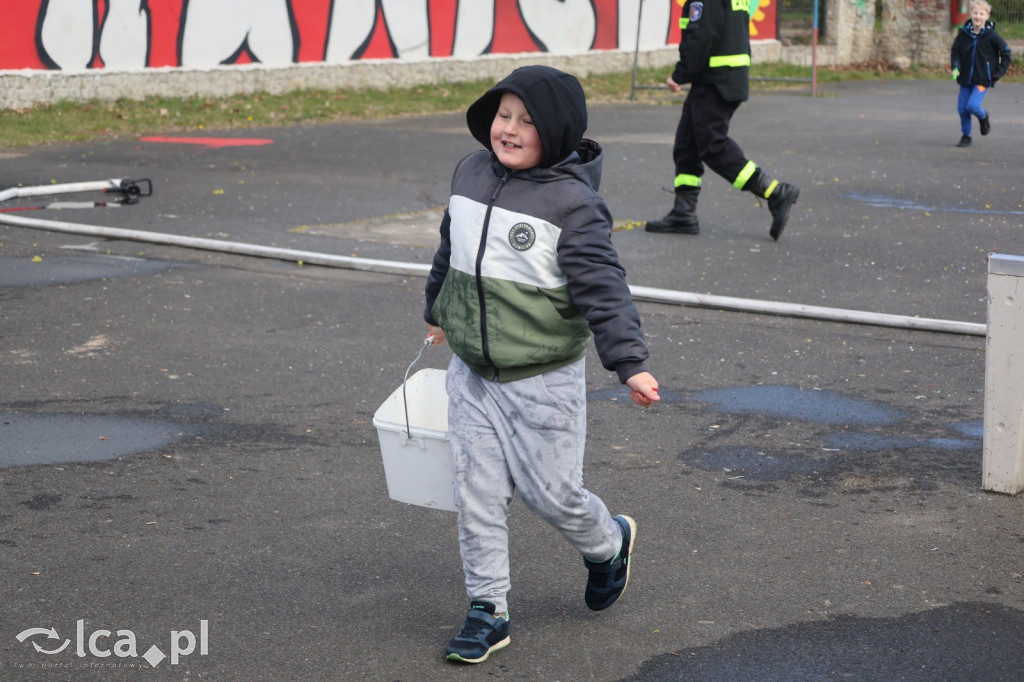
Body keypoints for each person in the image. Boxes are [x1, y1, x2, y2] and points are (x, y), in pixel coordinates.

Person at [422, 64, 661, 665]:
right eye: (503, 114)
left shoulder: (572, 204)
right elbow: (451, 250)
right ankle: (487, 609)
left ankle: (609, 543)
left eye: (526, 122)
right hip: (474, 374)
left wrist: (628, 362)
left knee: (552, 494)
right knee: (474, 491)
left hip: (542, 379)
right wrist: (438, 309)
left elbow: (603, 287)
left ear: (554, 133)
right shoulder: (470, 173)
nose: (508, 128)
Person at [645, 0, 799, 240]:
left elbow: (702, 36)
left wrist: (680, 73)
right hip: (720, 78)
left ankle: (774, 191)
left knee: (712, 145)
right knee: (688, 143)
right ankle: (683, 213)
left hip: (715, 81)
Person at [950, 0, 1012, 148]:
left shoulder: (992, 36)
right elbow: (955, 52)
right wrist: (956, 66)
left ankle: (983, 117)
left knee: (972, 106)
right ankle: (967, 136)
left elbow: (1006, 53)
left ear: (987, 16)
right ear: (971, 14)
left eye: (981, 13)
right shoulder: (964, 34)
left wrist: (997, 74)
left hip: (983, 79)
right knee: (962, 108)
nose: (978, 16)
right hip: (965, 77)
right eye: (975, 12)